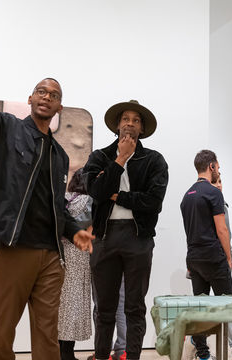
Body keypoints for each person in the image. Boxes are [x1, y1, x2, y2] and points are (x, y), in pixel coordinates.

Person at [0, 55, 94, 360]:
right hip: (13, 248)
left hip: (50, 255)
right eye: (42, 91)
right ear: (31, 99)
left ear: (60, 107)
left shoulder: (59, 155)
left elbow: (56, 204)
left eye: (54, 95)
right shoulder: (8, 129)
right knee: (4, 330)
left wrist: (75, 230)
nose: (47, 97)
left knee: (48, 334)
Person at [84, 100, 169, 360]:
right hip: (105, 237)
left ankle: (132, 356)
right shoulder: (100, 156)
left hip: (138, 238)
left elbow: (153, 203)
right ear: (117, 125)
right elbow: (96, 192)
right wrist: (120, 159)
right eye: (125, 119)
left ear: (142, 128)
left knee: (134, 307)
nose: (130, 123)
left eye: (136, 120)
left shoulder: (153, 160)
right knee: (104, 308)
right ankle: (100, 356)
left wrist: (118, 196)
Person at [180, 150, 232, 359]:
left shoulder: (186, 196)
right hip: (213, 257)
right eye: (218, 167)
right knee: (227, 304)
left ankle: (204, 353)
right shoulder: (214, 193)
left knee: (201, 305)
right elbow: (222, 229)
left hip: (194, 258)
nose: (219, 171)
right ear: (212, 166)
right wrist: (229, 255)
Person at [59, 168, 94, 360]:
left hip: (60, 253)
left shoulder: (65, 196)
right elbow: (87, 225)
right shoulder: (88, 201)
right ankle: (67, 354)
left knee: (62, 304)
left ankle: (60, 351)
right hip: (78, 253)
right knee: (74, 303)